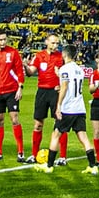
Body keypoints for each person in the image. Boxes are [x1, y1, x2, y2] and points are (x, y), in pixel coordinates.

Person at [35, 45, 99, 174]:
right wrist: (60, 86)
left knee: (56, 134)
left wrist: (58, 106)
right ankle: (93, 166)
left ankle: (48, 166)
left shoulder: (64, 69)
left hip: (68, 109)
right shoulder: (80, 70)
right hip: (79, 108)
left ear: (64, 55)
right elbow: (73, 86)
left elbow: (65, 87)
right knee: (84, 138)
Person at [0, 30, 27, 162]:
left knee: (14, 118)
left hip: (11, 90)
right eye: (1, 40)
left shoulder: (13, 53)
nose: (3, 42)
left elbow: (19, 70)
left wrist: (20, 87)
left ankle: (20, 151)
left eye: (5, 39)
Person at [26, 33, 67, 164]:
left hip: (56, 92)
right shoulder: (39, 56)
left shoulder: (62, 57)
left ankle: (62, 157)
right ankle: (33, 154)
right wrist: (26, 65)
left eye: (57, 43)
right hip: (42, 92)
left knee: (60, 124)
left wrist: (61, 85)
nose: (55, 45)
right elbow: (30, 72)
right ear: (46, 42)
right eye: (53, 43)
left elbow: (68, 75)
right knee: (38, 124)